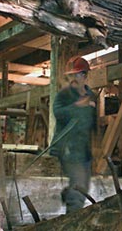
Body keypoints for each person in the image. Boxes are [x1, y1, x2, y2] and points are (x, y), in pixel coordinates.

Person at [50, 57, 97, 213]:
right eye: (71, 75)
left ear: (84, 76)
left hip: (84, 150)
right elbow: (58, 113)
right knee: (79, 186)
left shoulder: (91, 95)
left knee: (83, 186)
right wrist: (77, 106)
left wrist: (98, 149)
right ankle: (71, 220)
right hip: (67, 148)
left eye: (77, 75)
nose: (74, 79)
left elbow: (93, 124)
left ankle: (67, 195)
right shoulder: (64, 95)